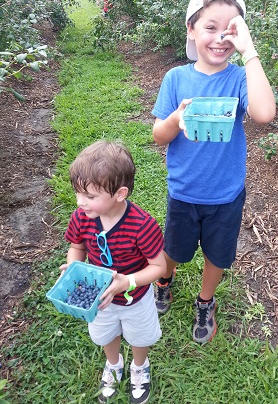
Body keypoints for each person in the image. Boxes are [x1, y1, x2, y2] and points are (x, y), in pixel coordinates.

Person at [151, 0, 276, 344]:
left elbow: (264, 113)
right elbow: (159, 135)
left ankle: (205, 302)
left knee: (217, 254)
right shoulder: (176, 78)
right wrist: (175, 119)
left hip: (225, 193)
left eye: (231, 29)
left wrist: (249, 50)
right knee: (174, 246)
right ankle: (164, 279)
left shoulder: (238, 79)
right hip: (185, 190)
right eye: (210, 27)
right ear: (191, 29)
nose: (220, 38)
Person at [61, 140, 166, 403]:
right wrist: (74, 266)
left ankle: (139, 367)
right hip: (101, 299)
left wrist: (126, 281)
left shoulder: (142, 226)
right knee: (106, 334)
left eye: (90, 196)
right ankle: (114, 363)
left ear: (120, 194)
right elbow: (77, 247)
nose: (80, 202)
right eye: (78, 193)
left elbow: (159, 267)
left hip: (135, 297)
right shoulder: (81, 218)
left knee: (139, 336)